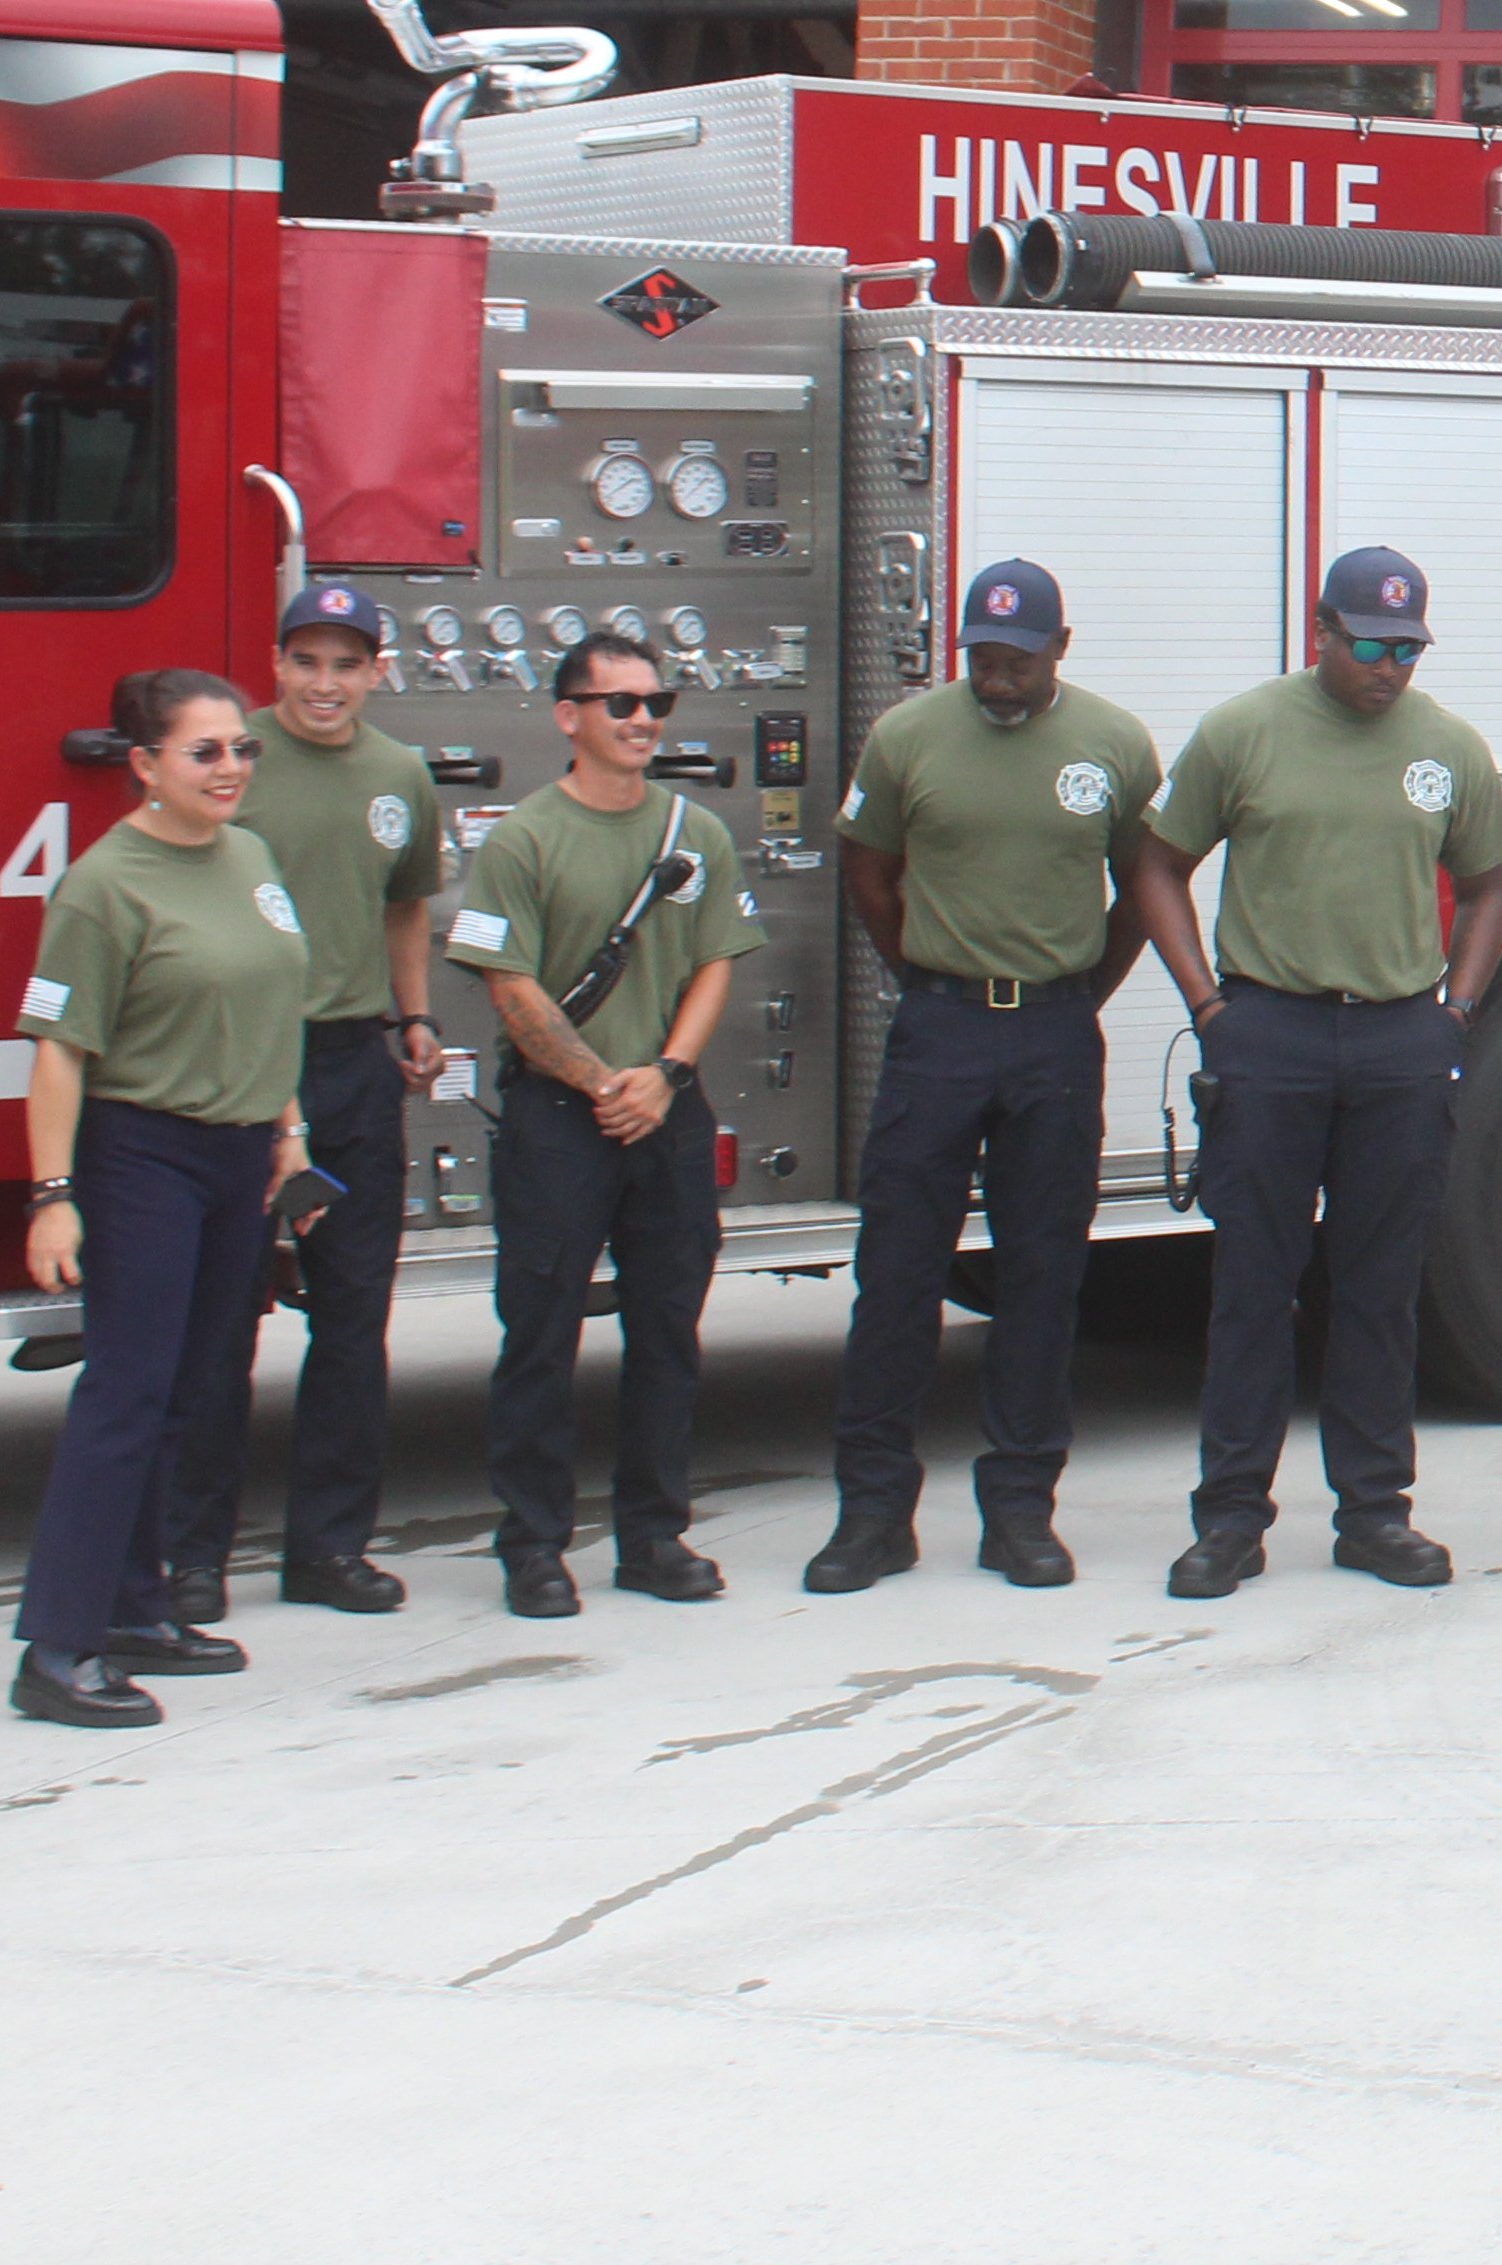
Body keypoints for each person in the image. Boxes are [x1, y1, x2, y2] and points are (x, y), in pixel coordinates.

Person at [1119, 544, 1502, 1603]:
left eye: (1409, 649)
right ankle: (1232, 1518)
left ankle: (1375, 1512)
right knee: (1255, 1285)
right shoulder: (1244, 732)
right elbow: (1157, 863)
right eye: (1373, 645)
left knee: (1380, 1289)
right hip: (1272, 1035)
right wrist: (1210, 1007)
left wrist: (1457, 1014)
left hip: (1398, 1041)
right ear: (1321, 633)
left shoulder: (1448, 748)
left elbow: (1487, 888)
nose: (1392, 668)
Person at [818, 555, 1161, 1595]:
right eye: (982, 652)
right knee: (898, 1275)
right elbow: (868, 872)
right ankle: (873, 1515)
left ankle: (1019, 1509)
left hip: (1055, 1036)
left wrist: (1073, 994)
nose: (997, 671)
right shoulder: (909, 736)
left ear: (1061, 647)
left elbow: (1142, 884)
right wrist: (930, 977)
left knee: (1042, 1279)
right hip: (940, 1030)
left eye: (1018, 655)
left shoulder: (1113, 744)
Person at [4, 671, 316, 1726]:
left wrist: (286, 1137)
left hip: (238, 1159)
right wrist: (55, 1195)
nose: (230, 768)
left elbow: (268, 1005)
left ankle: (140, 1610)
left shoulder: (253, 857)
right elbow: (58, 1054)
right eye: (205, 752)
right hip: (145, 1157)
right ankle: (59, 1646)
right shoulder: (103, 885)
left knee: (193, 1392)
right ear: (143, 765)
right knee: (125, 1396)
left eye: (241, 748)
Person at [448, 631, 766, 1617]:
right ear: (566, 715)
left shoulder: (694, 833)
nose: (642, 720)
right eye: (619, 703)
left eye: (655, 702)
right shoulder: (523, 839)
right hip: (560, 1115)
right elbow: (509, 986)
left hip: (665, 1109)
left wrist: (666, 1073)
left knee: (668, 1329)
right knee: (539, 1334)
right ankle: (534, 1546)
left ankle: (654, 1536)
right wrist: (600, 1083)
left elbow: (717, 959)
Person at [160, 581, 443, 1621]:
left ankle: (329, 1549)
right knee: (220, 1320)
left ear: (377, 670)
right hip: (238, 1068)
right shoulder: (235, 760)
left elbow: (404, 903)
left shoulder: (401, 776)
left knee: (353, 1319)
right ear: (277, 665)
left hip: (352, 1067)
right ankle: (193, 1557)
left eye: (349, 663)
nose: (327, 684)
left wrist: (412, 1018)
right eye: (308, 662)